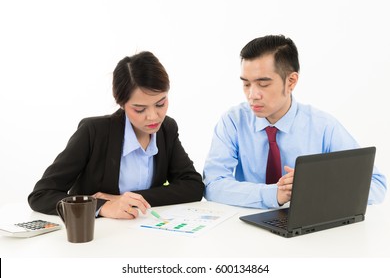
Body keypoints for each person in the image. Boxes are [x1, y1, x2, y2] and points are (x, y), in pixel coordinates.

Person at [203, 35, 387, 209]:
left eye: (263, 84)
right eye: (246, 84)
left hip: (307, 229)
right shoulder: (233, 121)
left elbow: (376, 185)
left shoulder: (322, 126)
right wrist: (274, 194)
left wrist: (315, 186)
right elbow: (212, 185)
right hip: (245, 225)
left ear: (291, 81)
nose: (252, 95)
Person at [28, 51, 204, 219]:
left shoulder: (167, 129)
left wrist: (129, 199)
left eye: (160, 103)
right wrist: (101, 206)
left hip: (146, 234)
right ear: (121, 103)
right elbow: (41, 195)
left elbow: (193, 186)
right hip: (96, 238)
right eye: (140, 109)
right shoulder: (93, 132)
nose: (153, 116)